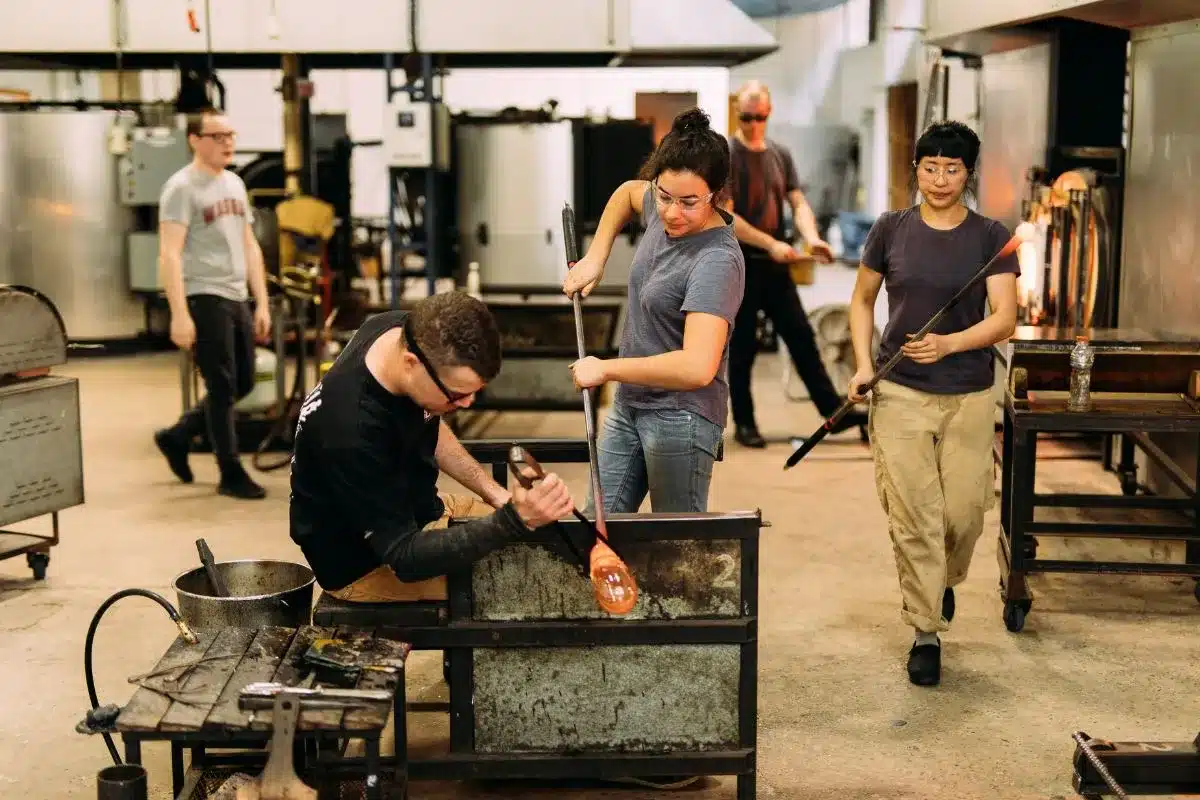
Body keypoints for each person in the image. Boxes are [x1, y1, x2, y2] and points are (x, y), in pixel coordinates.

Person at [847, 121, 1018, 687]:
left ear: (968, 174)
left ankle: (941, 579)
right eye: (929, 167)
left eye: (952, 169)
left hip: (969, 391)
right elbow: (861, 302)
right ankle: (924, 630)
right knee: (915, 516)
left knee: (965, 515)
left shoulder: (991, 235)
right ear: (915, 169)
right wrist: (864, 365)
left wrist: (949, 343)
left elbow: (1004, 318)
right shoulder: (891, 230)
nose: (940, 179)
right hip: (899, 396)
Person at [288, 291, 577, 603]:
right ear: (412, 363)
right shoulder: (350, 430)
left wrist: (495, 494)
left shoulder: (399, 331)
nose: (467, 404)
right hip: (366, 563)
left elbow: (430, 422)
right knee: (536, 588)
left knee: (556, 544)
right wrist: (513, 519)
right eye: (457, 395)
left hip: (421, 512)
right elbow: (405, 559)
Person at [562, 108, 745, 514]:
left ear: (716, 194)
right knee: (599, 527)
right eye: (664, 197)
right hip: (631, 404)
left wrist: (608, 369)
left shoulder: (716, 261)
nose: (671, 213)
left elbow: (697, 367)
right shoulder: (659, 207)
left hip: (681, 418)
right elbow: (628, 193)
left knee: (675, 543)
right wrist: (595, 257)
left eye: (689, 202)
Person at [726, 80, 869, 448]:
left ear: (769, 113)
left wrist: (813, 237)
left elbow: (798, 202)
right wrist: (771, 243)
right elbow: (727, 216)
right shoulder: (727, 155)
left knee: (802, 337)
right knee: (742, 346)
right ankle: (744, 423)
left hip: (776, 267)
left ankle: (833, 414)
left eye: (759, 117)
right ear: (737, 113)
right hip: (741, 263)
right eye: (746, 117)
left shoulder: (779, 154)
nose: (753, 124)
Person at [153, 107, 271, 500]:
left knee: (244, 382)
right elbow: (169, 254)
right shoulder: (181, 188)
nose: (227, 143)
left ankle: (178, 434)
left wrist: (262, 302)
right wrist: (180, 314)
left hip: (237, 295)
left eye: (230, 135)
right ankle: (230, 471)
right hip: (203, 295)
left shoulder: (235, 184)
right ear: (194, 140)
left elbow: (249, 245)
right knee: (221, 387)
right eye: (217, 136)